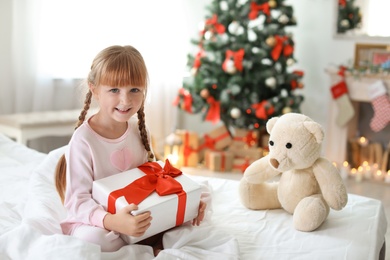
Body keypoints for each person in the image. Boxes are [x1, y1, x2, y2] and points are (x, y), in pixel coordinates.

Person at [54, 45, 206, 255]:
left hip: (137, 213)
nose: (125, 100)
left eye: (134, 89)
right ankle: (148, 243)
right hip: (100, 219)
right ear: (94, 89)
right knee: (94, 241)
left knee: (201, 199)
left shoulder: (138, 129)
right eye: (114, 90)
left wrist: (185, 203)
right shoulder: (83, 140)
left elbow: (150, 179)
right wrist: (112, 221)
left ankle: (145, 238)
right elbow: (77, 201)